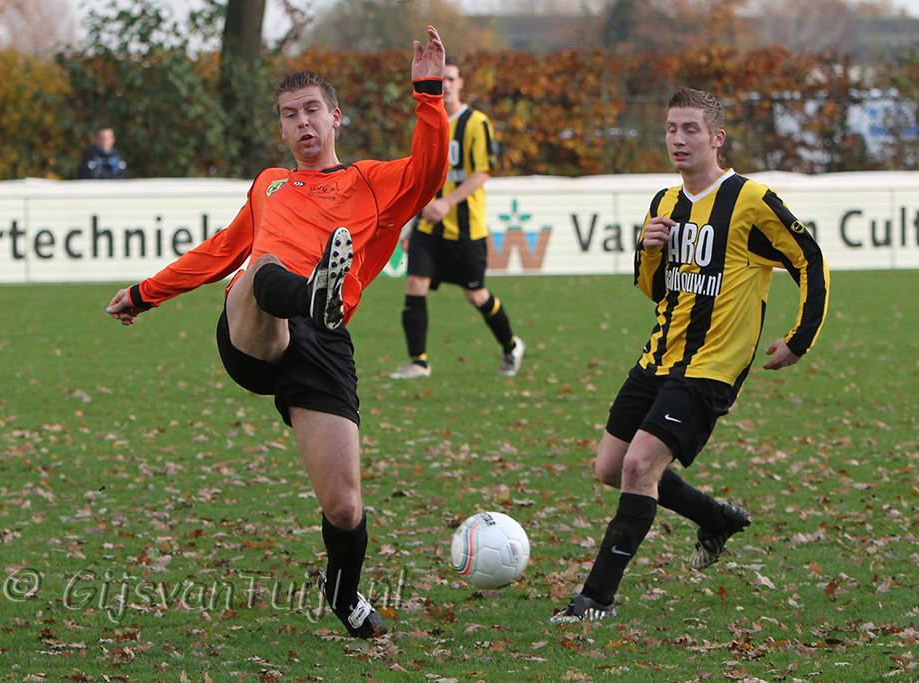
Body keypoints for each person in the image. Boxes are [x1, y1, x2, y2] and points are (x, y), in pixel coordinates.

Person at [105, 27, 449, 639]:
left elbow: (428, 173)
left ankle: (343, 591)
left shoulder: (371, 182)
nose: (302, 122)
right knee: (258, 266)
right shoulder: (269, 184)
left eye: (312, 109)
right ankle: (312, 292)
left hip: (322, 342)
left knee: (344, 505)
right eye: (290, 115)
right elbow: (223, 250)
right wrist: (144, 293)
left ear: (335, 117)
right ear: (283, 130)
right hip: (256, 330)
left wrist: (428, 94)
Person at [551, 87, 830, 622]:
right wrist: (647, 250)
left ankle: (595, 599)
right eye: (671, 129)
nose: (678, 139)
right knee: (610, 468)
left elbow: (809, 260)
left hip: (712, 366)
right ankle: (715, 518)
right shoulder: (664, 202)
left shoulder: (751, 200)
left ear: (716, 138)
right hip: (659, 356)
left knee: (639, 465)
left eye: (690, 130)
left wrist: (799, 339)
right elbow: (654, 290)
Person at [390, 56, 525, 380]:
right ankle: (419, 362)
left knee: (476, 295)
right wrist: (410, 220)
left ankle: (511, 345)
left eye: (451, 79)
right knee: (415, 284)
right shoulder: (428, 122)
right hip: (428, 226)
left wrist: (448, 202)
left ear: (461, 83)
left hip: (465, 229)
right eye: (441, 80)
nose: (446, 85)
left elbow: (483, 171)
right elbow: (420, 174)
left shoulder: (476, 123)